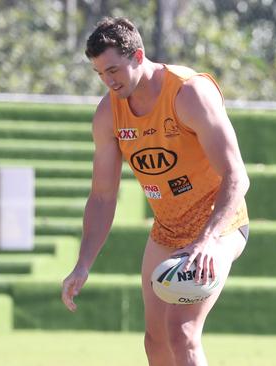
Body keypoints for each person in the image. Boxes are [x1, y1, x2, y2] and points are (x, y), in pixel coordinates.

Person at [60, 17, 250, 366]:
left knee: (182, 333)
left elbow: (237, 175)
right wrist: (83, 263)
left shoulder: (189, 93)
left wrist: (208, 239)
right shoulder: (108, 114)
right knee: (156, 341)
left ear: (138, 55)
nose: (109, 81)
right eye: (100, 74)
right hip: (167, 229)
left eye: (114, 70)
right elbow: (102, 196)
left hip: (219, 226)